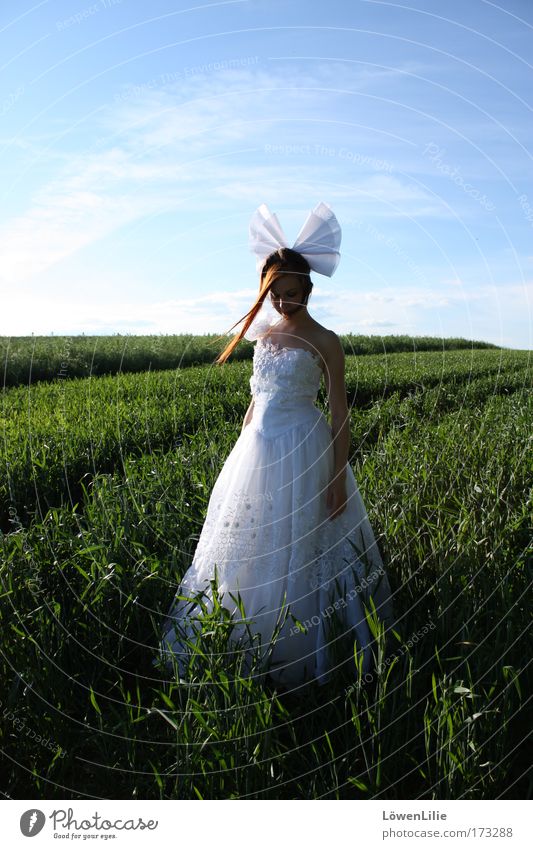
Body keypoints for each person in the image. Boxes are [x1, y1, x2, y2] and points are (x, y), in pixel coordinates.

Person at [154, 202, 395, 690]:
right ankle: (237, 638)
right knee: (243, 546)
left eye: (291, 293)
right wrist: (240, 450)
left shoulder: (326, 341)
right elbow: (256, 399)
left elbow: (339, 413)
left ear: (308, 289)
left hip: (305, 450)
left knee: (303, 548)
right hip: (256, 452)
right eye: (274, 295)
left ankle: (307, 655)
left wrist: (336, 480)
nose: (283, 303)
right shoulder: (264, 337)